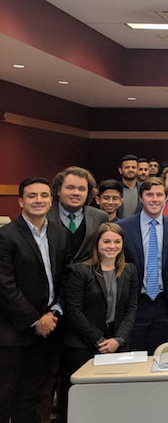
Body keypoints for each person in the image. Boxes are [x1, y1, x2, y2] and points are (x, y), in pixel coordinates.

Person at [0, 177, 71, 423]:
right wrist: (34, 319)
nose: (38, 200)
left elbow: (66, 278)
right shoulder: (6, 236)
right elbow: (5, 287)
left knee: (41, 395)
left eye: (43, 195)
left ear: (52, 201)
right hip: (15, 333)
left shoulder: (60, 233)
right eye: (31, 196)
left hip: (51, 328)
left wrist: (54, 314)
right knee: (8, 397)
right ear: (20, 201)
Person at [60, 223, 138, 416]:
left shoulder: (130, 271)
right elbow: (74, 310)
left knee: (112, 402)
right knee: (83, 401)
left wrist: (118, 339)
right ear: (97, 243)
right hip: (83, 346)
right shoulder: (81, 271)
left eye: (117, 241)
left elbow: (132, 308)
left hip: (117, 346)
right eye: (106, 241)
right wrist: (100, 340)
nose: (112, 246)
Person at [117, 177, 168, 354]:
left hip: (166, 304)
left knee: (163, 358)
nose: (154, 199)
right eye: (149, 194)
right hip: (135, 305)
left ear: (165, 198)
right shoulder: (123, 227)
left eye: (159, 195)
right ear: (141, 198)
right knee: (135, 357)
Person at [49, 166, 108, 263]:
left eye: (82, 189)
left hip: (87, 277)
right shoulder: (44, 216)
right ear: (59, 190)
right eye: (70, 188)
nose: (76, 193)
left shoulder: (100, 217)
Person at [118, 154, 140, 219]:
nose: (130, 170)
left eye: (133, 167)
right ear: (120, 170)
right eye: (127, 167)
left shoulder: (144, 189)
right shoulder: (115, 188)